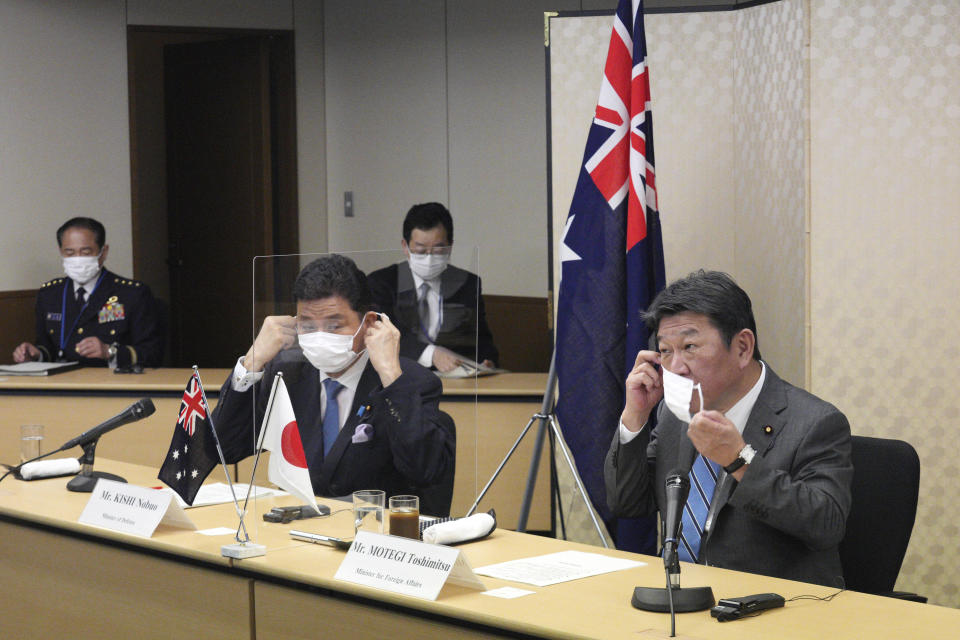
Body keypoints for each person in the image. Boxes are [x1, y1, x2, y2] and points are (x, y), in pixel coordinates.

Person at [604, 270, 852, 586]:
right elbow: (627, 502)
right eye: (666, 351)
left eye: (690, 346)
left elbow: (826, 525)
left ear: (742, 347)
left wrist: (739, 460)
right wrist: (634, 416)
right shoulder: (674, 413)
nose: (677, 367)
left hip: (771, 609)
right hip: (681, 600)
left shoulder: (815, 422)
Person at [212, 254, 456, 516]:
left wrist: (389, 374)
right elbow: (224, 449)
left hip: (372, 539)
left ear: (369, 323)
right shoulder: (286, 374)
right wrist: (251, 363)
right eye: (307, 325)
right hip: (296, 535)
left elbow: (425, 471)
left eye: (334, 326)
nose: (320, 337)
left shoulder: (407, 381)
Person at [12, 217, 163, 368]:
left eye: (85, 252)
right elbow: (49, 349)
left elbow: (152, 353)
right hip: (62, 384)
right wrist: (36, 355)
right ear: (61, 253)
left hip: (113, 384)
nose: (77, 259)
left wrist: (109, 351)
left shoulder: (132, 293)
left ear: (103, 252)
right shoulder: (50, 294)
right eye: (70, 253)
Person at [367, 202, 498, 373]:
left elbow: (481, 339)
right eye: (420, 251)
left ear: (450, 246)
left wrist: (487, 361)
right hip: (400, 380)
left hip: (454, 382)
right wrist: (431, 354)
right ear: (405, 247)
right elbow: (381, 337)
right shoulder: (382, 283)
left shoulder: (467, 284)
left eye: (438, 250)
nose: (429, 258)